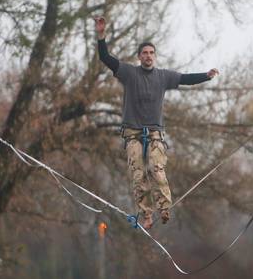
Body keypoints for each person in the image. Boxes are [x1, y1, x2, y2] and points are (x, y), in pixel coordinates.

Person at [94, 17, 219, 229]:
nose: (148, 56)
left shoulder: (163, 77)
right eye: (144, 53)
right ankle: (146, 214)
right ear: (139, 57)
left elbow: (186, 79)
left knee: (156, 168)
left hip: (154, 133)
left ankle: (164, 208)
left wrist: (206, 76)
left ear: (155, 56)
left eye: (151, 53)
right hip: (132, 132)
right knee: (139, 174)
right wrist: (101, 35)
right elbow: (105, 57)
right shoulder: (128, 73)